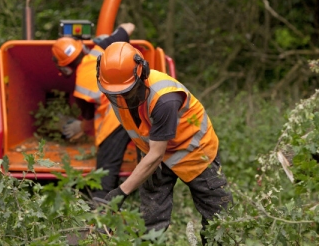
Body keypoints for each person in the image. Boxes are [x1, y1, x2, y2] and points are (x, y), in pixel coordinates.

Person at [95, 41, 232, 242]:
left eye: (125, 92)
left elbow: (156, 154)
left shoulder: (164, 99)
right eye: (114, 94)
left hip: (192, 151)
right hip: (152, 151)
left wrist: (121, 191)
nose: (120, 97)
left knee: (218, 216)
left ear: (141, 74)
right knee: (150, 216)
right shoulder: (116, 87)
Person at [51, 23, 135, 199]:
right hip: (140, 106)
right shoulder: (102, 48)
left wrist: (78, 127)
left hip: (117, 117)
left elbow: (88, 121)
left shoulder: (80, 89)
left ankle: (100, 208)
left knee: (105, 169)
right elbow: (129, 26)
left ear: (65, 68)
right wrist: (111, 35)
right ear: (82, 47)